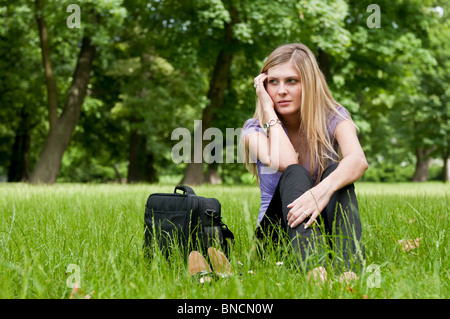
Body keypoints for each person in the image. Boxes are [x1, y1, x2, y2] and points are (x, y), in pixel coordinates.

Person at [241, 43, 368, 283]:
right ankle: (314, 273)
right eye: (273, 82)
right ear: (263, 86)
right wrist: (268, 111)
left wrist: (323, 189)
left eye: (292, 81)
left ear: (309, 84)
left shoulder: (334, 116)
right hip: (277, 239)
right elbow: (288, 161)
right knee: (295, 172)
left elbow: (358, 160)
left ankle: (348, 271)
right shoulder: (254, 129)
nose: (281, 91)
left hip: (325, 233)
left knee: (335, 172)